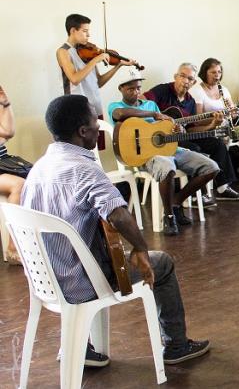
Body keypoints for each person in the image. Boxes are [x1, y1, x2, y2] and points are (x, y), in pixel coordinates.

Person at [22, 94, 210, 365]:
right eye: (93, 118)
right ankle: (176, 346)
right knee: (163, 264)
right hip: (81, 283)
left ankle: (79, 348)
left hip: (45, 281)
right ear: (82, 131)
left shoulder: (38, 168)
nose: (99, 124)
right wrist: (141, 248)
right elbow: (119, 215)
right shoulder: (84, 170)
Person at [107, 69, 220, 235]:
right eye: (131, 89)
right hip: (145, 156)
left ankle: (176, 202)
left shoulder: (151, 104)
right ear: (121, 89)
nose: (136, 92)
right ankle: (169, 216)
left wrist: (176, 129)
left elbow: (163, 129)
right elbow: (121, 114)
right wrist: (154, 114)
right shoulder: (116, 107)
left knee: (211, 167)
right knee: (167, 167)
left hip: (169, 149)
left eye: (138, 88)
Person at [143, 63, 239, 202]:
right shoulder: (163, 90)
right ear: (175, 76)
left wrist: (212, 124)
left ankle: (223, 187)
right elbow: (141, 102)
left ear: (194, 82)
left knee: (217, 144)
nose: (185, 81)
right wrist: (158, 118)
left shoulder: (190, 101)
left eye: (190, 79)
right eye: (182, 76)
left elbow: (191, 129)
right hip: (163, 140)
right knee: (194, 148)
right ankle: (196, 196)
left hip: (182, 136)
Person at [189, 58, 239, 180]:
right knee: (223, 138)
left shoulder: (223, 90)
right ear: (205, 73)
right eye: (213, 72)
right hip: (210, 128)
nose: (217, 76)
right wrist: (215, 118)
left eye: (219, 72)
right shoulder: (197, 91)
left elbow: (233, 113)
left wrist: (235, 112)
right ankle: (221, 176)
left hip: (227, 126)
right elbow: (197, 120)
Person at [56, 14, 135, 117]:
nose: (88, 35)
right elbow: (74, 79)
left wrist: (118, 65)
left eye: (88, 31)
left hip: (95, 108)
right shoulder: (63, 51)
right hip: (76, 109)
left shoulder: (87, 52)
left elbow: (99, 83)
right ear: (73, 31)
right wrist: (96, 60)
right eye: (85, 31)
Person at [0, 85, 25, 265]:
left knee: (37, 177)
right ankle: (12, 248)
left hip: (4, 163)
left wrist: (6, 104)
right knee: (19, 185)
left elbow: (8, 132)